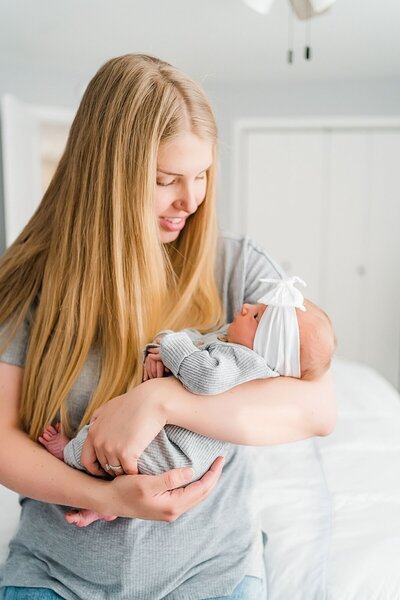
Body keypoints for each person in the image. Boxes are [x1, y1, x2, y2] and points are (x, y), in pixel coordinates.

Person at [0, 54, 335, 600]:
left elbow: (318, 411)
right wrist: (107, 498)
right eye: (165, 179)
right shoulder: (29, 282)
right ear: (106, 178)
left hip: (210, 574)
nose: (190, 200)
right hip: (58, 575)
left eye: (201, 176)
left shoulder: (239, 270)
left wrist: (160, 402)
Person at [38, 277, 335, 527]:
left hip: (175, 454)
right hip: (171, 450)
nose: (246, 307)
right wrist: (160, 350)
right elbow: (192, 342)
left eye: (257, 316)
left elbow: (204, 376)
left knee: (102, 437)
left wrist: (167, 348)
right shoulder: (230, 343)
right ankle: (106, 505)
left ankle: (70, 455)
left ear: (268, 347)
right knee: (122, 456)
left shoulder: (244, 362)